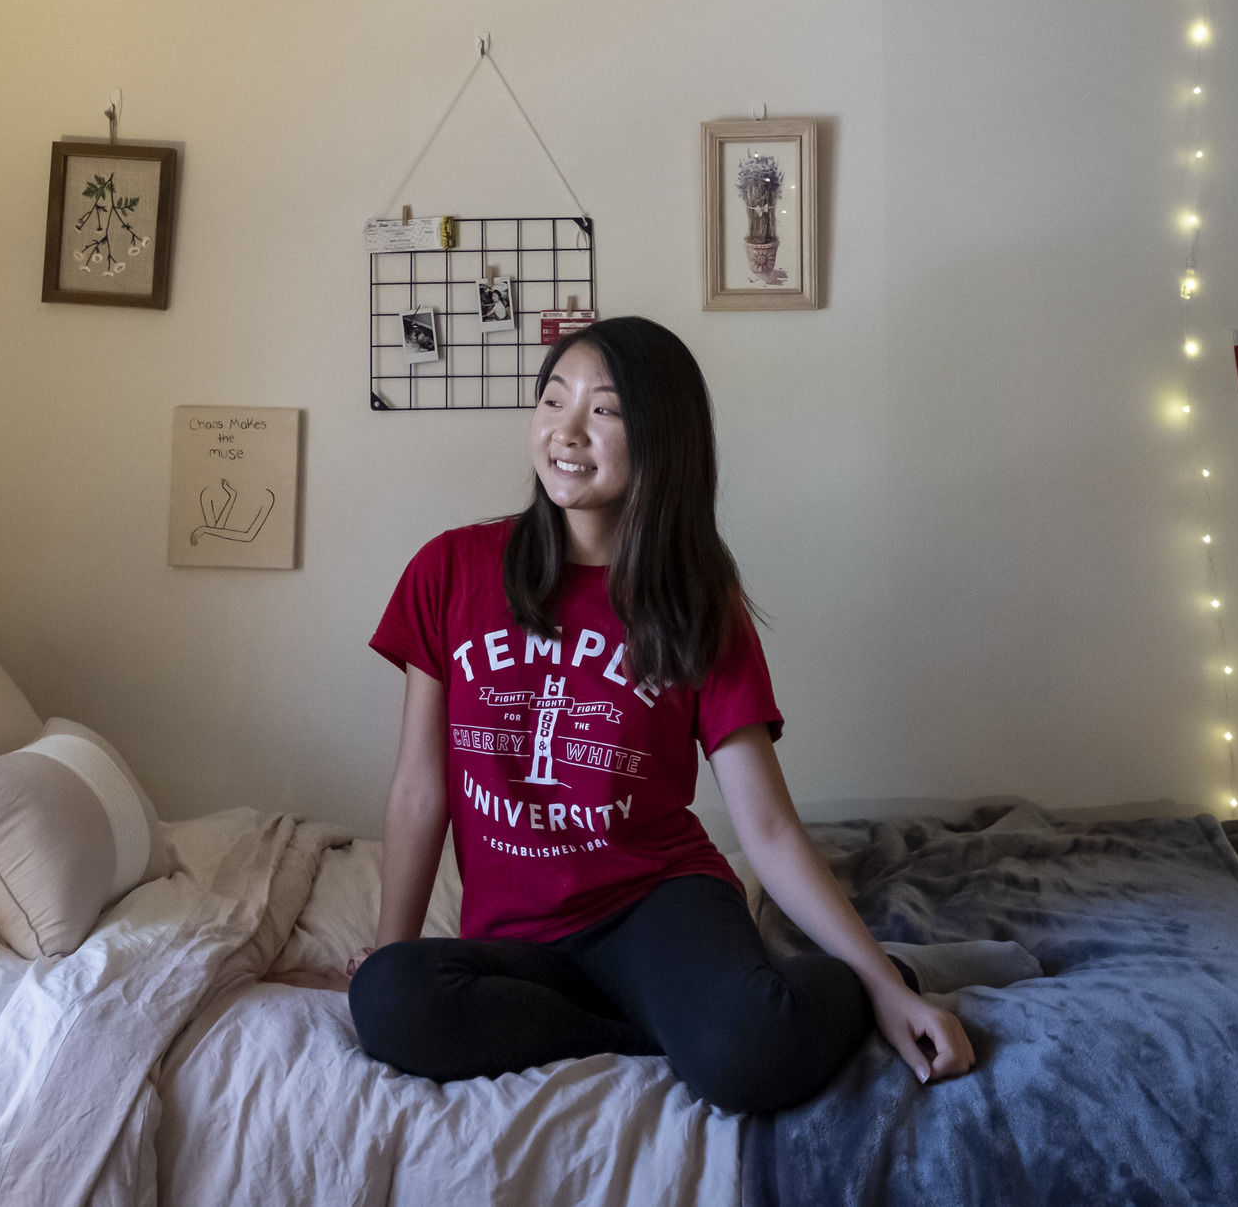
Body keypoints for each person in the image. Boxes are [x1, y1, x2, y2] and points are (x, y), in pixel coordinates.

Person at [339, 315, 972, 1115]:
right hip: (517, 937)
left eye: (604, 410)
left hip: (656, 906)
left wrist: (886, 985)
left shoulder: (696, 601)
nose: (567, 430)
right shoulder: (450, 570)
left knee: (752, 1058)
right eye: (554, 399)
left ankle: (785, 997)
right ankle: (665, 1031)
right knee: (390, 999)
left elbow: (767, 829)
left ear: (661, 438)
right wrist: (392, 945)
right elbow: (419, 790)